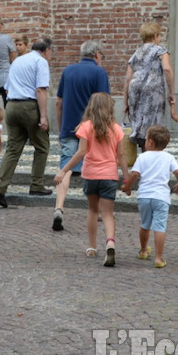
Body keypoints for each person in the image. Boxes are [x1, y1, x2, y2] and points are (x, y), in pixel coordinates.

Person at [54, 93, 128, 267]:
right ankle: (110, 242)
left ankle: (92, 246)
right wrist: (126, 178)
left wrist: (64, 170)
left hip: (91, 175)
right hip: (109, 175)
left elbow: (80, 152)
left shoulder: (86, 126)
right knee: (108, 213)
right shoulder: (117, 129)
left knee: (93, 211)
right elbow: (122, 155)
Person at [53, 40, 110, 231]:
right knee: (96, 166)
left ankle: (59, 207)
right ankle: (100, 209)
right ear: (97, 55)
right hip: (93, 128)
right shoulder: (99, 72)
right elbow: (103, 104)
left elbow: (59, 102)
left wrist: (61, 129)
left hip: (69, 126)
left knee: (66, 167)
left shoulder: (68, 71)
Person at [0, 36, 53, 208]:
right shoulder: (40, 62)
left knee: (12, 148)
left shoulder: (17, 61)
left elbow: (7, 87)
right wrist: (43, 116)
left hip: (11, 106)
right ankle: (36, 184)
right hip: (29, 106)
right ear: (46, 50)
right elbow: (40, 89)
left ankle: (0, 188)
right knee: (42, 145)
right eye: (50, 51)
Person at [121, 125, 178, 269]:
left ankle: (143, 250)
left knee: (145, 225)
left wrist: (127, 187)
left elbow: (135, 174)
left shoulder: (142, 157)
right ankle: (158, 258)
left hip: (144, 196)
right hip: (161, 197)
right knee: (160, 227)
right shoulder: (168, 157)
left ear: (149, 141)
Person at [123, 22, 175, 150]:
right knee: (153, 123)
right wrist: (171, 92)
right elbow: (167, 69)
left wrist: (125, 102)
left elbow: (128, 78)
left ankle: (144, 152)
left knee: (140, 123)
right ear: (156, 35)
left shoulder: (137, 53)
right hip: (153, 88)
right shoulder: (161, 51)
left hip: (135, 88)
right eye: (159, 35)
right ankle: (152, 154)